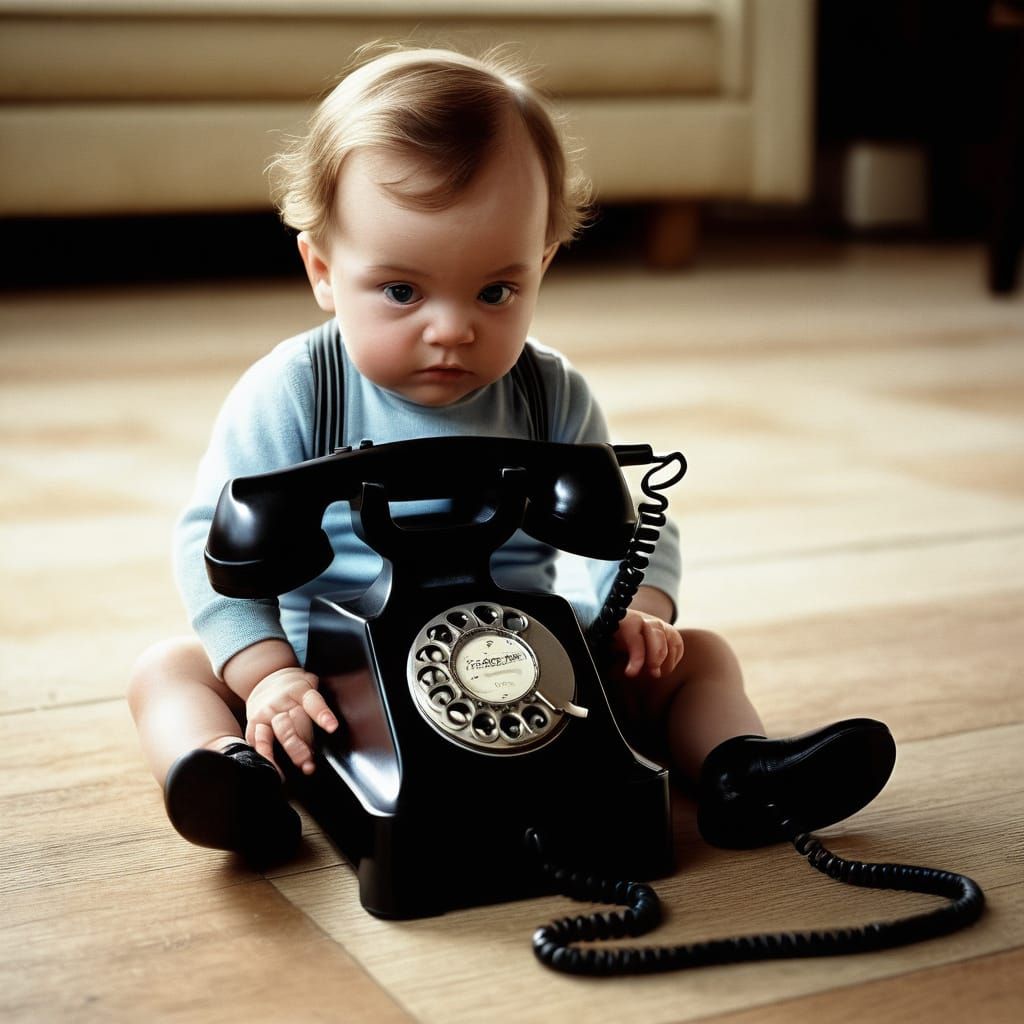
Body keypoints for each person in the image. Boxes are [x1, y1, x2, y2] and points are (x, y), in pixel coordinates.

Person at [128, 46, 896, 867]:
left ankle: (741, 771)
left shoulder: (548, 393)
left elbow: (632, 527)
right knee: (169, 670)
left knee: (700, 655)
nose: (453, 328)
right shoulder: (295, 392)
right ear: (323, 269)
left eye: (496, 291)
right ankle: (227, 778)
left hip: (529, 660)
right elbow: (209, 540)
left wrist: (636, 616)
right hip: (322, 672)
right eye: (401, 291)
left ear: (542, 267)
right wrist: (265, 673)